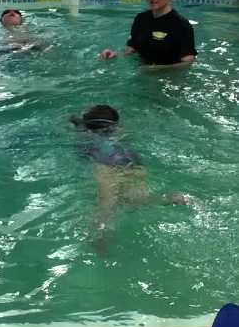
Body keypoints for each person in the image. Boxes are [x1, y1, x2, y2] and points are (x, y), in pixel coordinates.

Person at [70, 104, 189, 245]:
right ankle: (174, 197)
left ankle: (100, 239)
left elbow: (73, 122)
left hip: (106, 165)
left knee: (106, 206)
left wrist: (74, 120)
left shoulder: (84, 131)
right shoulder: (120, 130)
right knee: (136, 200)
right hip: (133, 163)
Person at [100, 0, 197, 67]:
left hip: (168, 76)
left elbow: (187, 63)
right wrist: (115, 55)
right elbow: (131, 51)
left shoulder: (182, 26)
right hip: (142, 74)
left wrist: (158, 69)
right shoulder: (140, 19)